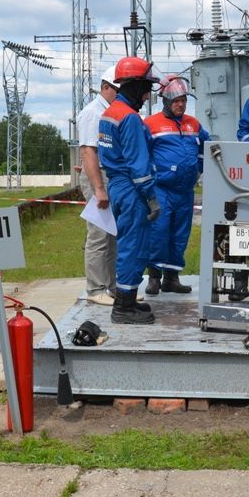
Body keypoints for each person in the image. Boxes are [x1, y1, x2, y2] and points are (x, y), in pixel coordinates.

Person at [99, 56, 160, 324]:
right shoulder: (131, 118)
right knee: (133, 247)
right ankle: (123, 307)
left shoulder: (109, 113)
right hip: (133, 190)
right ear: (134, 85)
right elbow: (139, 165)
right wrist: (151, 197)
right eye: (146, 88)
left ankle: (128, 299)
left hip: (118, 186)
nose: (147, 95)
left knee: (127, 244)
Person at [143, 75, 209, 295]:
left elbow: (208, 147)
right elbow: (142, 154)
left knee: (180, 235)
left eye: (183, 100)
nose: (180, 104)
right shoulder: (151, 124)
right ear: (165, 101)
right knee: (159, 232)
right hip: (161, 189)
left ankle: (172, 278)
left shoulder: (194, 123)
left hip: (185, 191)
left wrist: (199, 167)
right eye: (176, 101)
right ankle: (154, 277)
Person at [77, 66, 119, 306]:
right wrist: (99, 189)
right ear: (106, 87)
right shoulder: (94, 113)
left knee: (112, 235)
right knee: (99, 235)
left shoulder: (110, 112)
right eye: (117, 91)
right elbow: (88, 152)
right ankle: (96, 288)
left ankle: (111, 287)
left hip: (107, 175)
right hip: (98, 177)